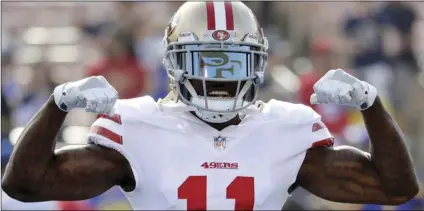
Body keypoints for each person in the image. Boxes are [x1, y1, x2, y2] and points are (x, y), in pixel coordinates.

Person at [1, 2, 419, 210]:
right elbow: (24, 185)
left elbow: (397, 189)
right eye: (203, 60)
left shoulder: (285, 128)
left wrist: (370, 104)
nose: (219, 76)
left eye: (234, 61)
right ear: (173, 63)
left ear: (256, 65)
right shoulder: (137, 125)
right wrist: (57, 104)